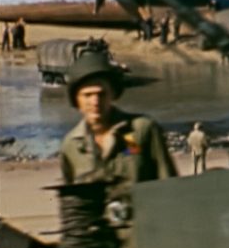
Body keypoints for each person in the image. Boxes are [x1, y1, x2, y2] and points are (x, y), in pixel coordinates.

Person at [60, 51, 177, 187]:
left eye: (101, 94)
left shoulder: (140, 130)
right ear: (77, 101)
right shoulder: (71, 145)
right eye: (87, 95)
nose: (95, 101)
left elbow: (169, 185)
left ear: (113, 94)